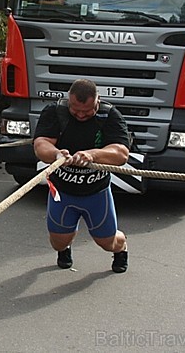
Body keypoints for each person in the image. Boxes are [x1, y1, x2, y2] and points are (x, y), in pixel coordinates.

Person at [33, 78, 130, 273]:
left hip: (96, 192)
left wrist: (92, 154)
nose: (80, 115)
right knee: (58, 243)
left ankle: (122, 248)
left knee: (107, 241)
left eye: (86, 111)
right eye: (75, 109)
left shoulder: (109, 115)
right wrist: (56, 154)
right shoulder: (56, 111)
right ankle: (65, 247)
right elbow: (40, 145)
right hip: (62, 191)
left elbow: (121, 153)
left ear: (97, 100)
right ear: (69, 100)